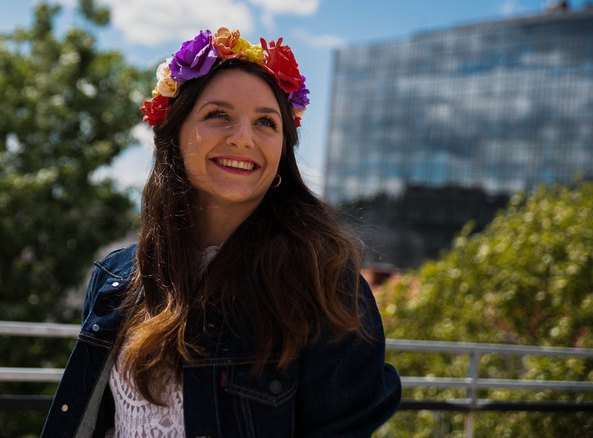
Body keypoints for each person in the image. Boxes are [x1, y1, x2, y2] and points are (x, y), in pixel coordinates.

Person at [41, 28, 401, 438]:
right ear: (175, 134)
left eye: (266, 122)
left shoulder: (324, 282)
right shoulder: (117, 277)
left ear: (282, 152)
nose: (243, 138)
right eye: (218, 115)